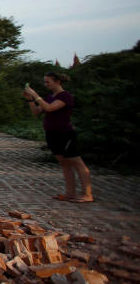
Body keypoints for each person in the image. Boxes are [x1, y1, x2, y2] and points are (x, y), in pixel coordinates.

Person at [23, 71, 93, 203]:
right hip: (52, 133)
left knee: (77, 163)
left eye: (48, 81)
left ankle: (87, 194)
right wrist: (30, 99)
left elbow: (49, 108)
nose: (46, 84)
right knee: (64, 163)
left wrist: (36, 95)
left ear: (57, 82)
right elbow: (37, 112)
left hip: (65, 133)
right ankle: (70, 193)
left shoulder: (65, 96)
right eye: (45, 82)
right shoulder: (50, 96)